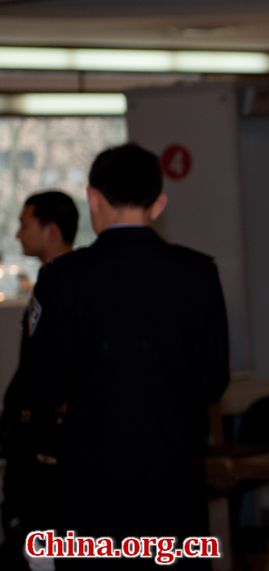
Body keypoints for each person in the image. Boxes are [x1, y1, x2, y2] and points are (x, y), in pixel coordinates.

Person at [27, 143, 229, 569]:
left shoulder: (61, 278)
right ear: (158, 203)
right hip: (174, 481)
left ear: (93, 197)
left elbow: (43, 386)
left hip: (91, 483)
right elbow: (213, 381)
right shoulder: (198, 272)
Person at [0, 190, 78, 570]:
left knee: (44, 554)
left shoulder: (74, 285)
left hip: (52, 450)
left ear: (51, 231)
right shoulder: (49, 282)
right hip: (29, 442)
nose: (17, 234)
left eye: (24, 223)